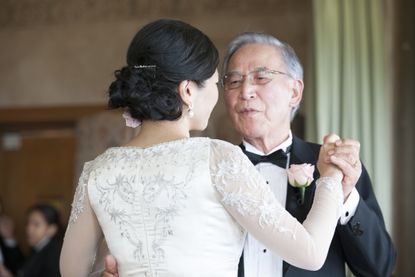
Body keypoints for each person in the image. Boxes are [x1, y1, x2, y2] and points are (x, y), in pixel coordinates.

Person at [60, 19, 346, 277]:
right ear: (187, 91)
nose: (218, 93)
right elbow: (310, 253)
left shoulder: (97, 171)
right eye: (213, 82)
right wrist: (331, 177)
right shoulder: (217, 159)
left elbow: (72, 271)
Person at [220, 32, 396, 277]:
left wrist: (343, 196)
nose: (246, 91)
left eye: (261, 77)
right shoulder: (214, 169)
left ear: (294, 92)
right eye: (235, 81)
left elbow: (379, 268)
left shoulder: (334, 166)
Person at [17, 203, 63, 277]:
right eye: (28, 223)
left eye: (36, 224)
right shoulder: (39, 246)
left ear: (52, 229)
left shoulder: (54, 256)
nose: (29, 229)